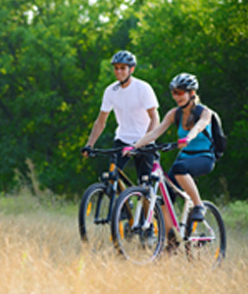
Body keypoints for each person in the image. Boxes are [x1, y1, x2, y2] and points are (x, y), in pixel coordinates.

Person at [123, 73, 215, 236]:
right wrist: (134, 146)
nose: (176, 96)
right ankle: (171, 239)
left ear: (191, 93)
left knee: (179, 168)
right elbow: (155, 133)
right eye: (174, 92)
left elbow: (200, 126)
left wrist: (189, 137)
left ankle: (199, 206)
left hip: (204, 157)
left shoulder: (205, 112)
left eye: (180, 92)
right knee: (164, 197)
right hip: (184, 158)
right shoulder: (174, 114)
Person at [81, 50, 160, 183]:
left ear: (131, 69)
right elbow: (100, 122)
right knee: (111, 178)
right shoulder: (111, 91)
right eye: (116, 68)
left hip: (143, 141)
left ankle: (143, 200)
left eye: (122, 68)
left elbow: (155, 118)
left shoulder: (143, 88)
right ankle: (123, 202)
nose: (118, 71)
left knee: (145, 185)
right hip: (123, 140)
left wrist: (145, 141)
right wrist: (90, 144)